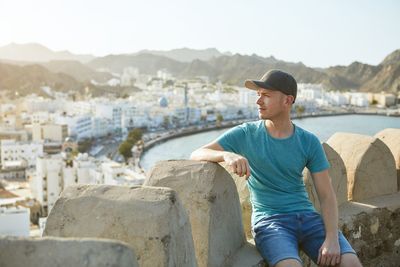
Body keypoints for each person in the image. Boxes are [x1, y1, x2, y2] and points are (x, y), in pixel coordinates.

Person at [190, 70, 362, 267]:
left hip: (308, 219)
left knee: (351, 263)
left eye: (266, 95)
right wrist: (226, 154)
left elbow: (327, 195)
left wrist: (331, 238)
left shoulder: (309, 142)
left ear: (287, 101)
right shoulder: (246, 134)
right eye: (258, 95)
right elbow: (197, 153)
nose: (258, 101)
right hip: (270, 222)